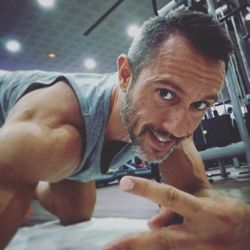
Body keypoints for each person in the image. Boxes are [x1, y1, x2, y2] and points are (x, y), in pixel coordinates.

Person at [0, 9, 249, 250]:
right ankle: (25, 174)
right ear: (125, 75)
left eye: (199, 104)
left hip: (52, 152)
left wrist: (236, 223)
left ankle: (30, 178)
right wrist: (21, 171)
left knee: (77, 213)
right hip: (21, 133)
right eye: (165, 94)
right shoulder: (46, 133)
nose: (178, 126)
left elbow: (197, 195)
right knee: (38, 157)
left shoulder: (171, 121)